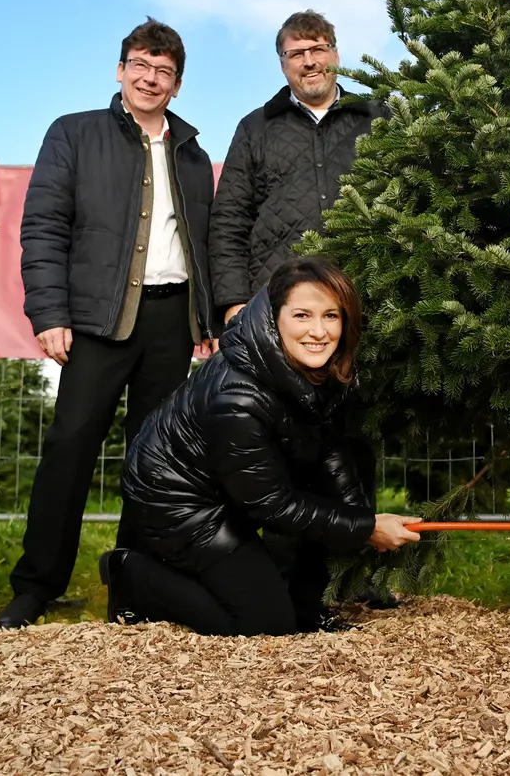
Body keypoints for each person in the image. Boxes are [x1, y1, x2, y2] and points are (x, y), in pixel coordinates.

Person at [0, 19, 219, 630]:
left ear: (177, 83)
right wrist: (49, 312)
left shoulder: (194, 154)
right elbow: (42, 227)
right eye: (141, 66)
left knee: (155, 460)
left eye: (164, 71)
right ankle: (36, 587)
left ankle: (132, 586)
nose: (151, 79)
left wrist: (205, 317)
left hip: (172, 322)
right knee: (69, 449)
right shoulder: (73, 134)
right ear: (120, 70)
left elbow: (205, 243)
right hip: (95, 320)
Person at [102, 257, 422, 635]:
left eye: (331, 316)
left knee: (353, 461)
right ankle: (131, 573)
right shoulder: (238, 395)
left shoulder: (323, 368)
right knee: (264, 623)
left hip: (239, 487)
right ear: (275, 317)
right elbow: (271, 503)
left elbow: (331, 451)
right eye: (302, 315)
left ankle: (309, 606)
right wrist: (365, 527)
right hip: (178, 503)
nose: (318, 332)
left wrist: (358, 521)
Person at [209, 10, 388, 325]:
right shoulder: (255, 128)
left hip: (370, 296)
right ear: (282, 64)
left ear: (335, 54)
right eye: (296, 54)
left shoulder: (376, 119)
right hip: (278, 303)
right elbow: (229, 220)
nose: (309, 62)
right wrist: (233, 302)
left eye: (318, 50)